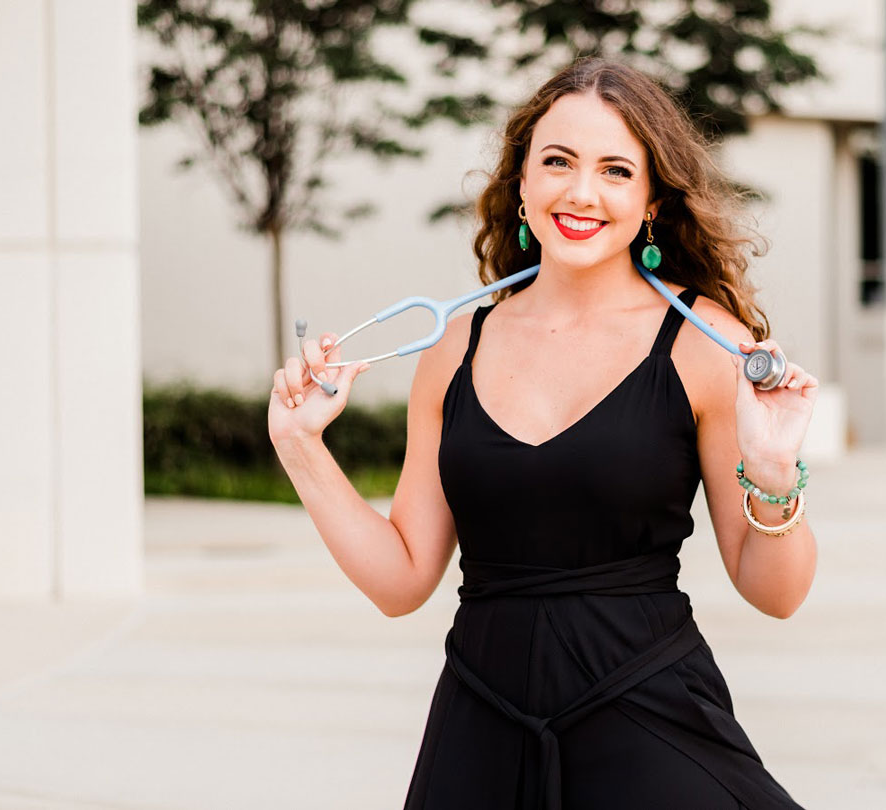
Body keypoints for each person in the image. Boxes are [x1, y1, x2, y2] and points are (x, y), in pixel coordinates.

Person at [269, 57, 819, 809]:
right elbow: (402, 580)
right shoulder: (454, 346)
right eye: (557, 161)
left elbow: (776, 594)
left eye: (617, 170)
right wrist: (301, 448)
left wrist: (777, 473)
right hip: (480, 727)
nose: (581, 192)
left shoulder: (702, 342)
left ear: (653, 199)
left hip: (648, 720)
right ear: (522, 181)